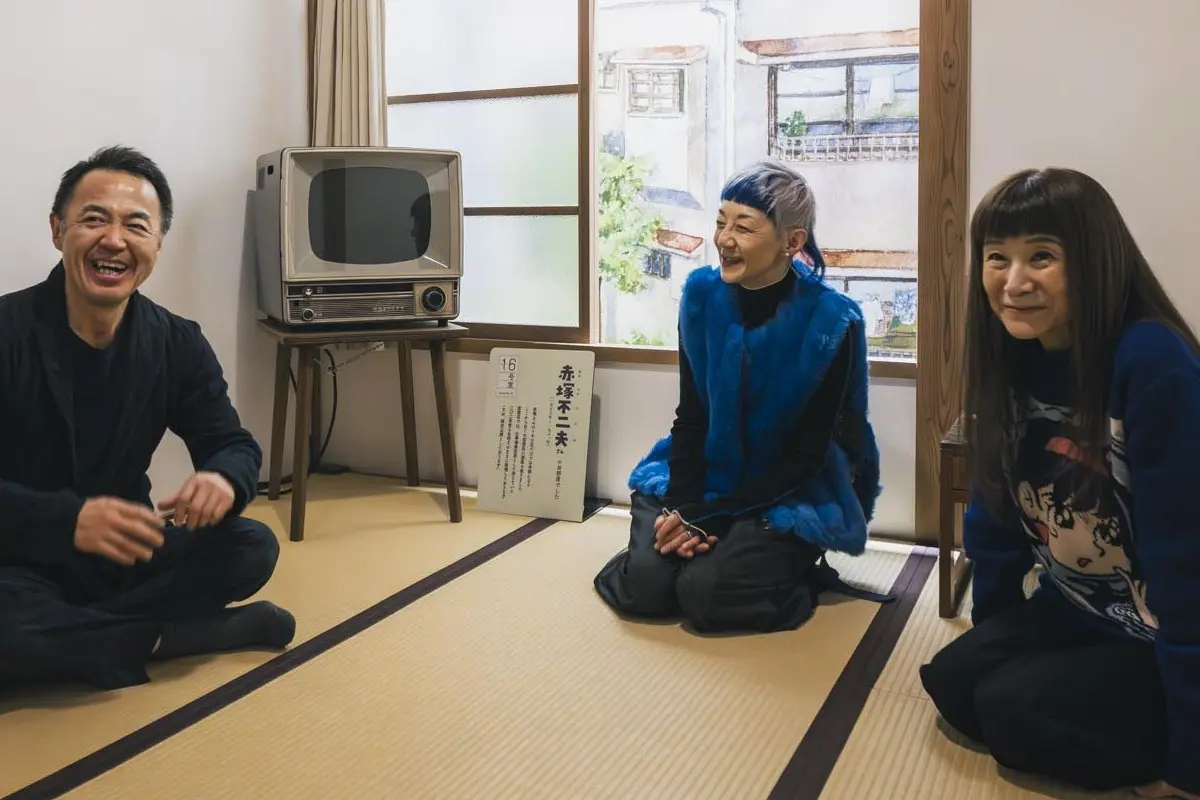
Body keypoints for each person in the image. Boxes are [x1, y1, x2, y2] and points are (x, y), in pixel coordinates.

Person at [918, 168, 1200, 800]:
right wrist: (996, 638)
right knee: (956, 682)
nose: (1014, 282)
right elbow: (995, 516)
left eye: (1041, 257)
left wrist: (1189, 771)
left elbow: (1189, 568)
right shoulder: (1011, 354)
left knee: (1014, 713)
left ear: (1095, 260)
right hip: (1077, 607)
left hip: (1159, 630)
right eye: (997, 258)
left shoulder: (1152, 363)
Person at [0, 145, 295, 692]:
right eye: (94, 219)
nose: (114, 240)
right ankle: (176, 636)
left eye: (136, 225)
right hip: (20, 557)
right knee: (10, 625)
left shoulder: (176, 342)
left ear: (157, 244)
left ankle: (81, 640)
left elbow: (232, 443)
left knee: (252, 546)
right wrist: (67, 521)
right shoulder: (6, 331)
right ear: (57, 230)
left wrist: (221, 479)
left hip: (125, 551)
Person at [593, 160, 887, 634]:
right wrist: (684, 509)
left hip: (790, 489)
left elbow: (808, 456)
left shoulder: (832, 323)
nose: (723, 239)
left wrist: (713, 516)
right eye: (720, 222)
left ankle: (799, 576)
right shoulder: (700, 296)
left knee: (705, 594)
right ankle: (661, 553)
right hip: (704, 474)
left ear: (792, 241)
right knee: (647, 587)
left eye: (744, 227)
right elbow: (691, 418)